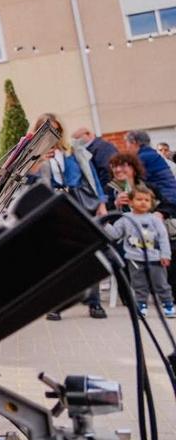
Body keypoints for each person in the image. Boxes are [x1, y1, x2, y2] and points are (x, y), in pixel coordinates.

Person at [36, 113, 108, 321]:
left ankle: (94, 302)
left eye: (55, 128)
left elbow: (91, 176)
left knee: (89, 252)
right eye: (46, 128)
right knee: (57, 259)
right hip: (51, 208)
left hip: (78, 204)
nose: (51, 132)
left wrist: (101, 202)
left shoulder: (72, 150)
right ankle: (57, 305)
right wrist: (39, 161)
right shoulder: (33, 155)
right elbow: (27, 182)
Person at [106, 186, 174, 318]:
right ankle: (141, 305)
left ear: (151, 203)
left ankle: (168, 304)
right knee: (139, 285)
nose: (143, 202)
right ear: (130, 202)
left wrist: (165, 254)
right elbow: (115, 234)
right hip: (134, 259)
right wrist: (105, 223)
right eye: (139, 199)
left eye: (146, 200)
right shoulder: (125, 218)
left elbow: (163, 237)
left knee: (161, 283)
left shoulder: (154, 219)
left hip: (155, 259)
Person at [124, 130, 176, 214]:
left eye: (127, 144)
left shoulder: (142, 159)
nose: (127, 148)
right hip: (170, 199)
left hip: (166, 204)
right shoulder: (152, 154)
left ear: (134, 142)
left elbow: (133, 185)